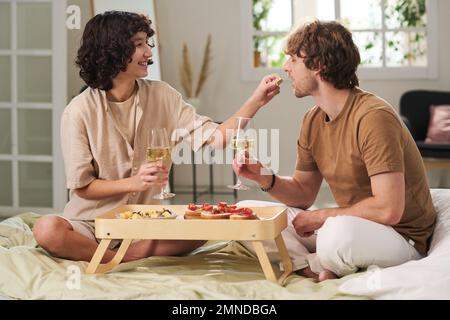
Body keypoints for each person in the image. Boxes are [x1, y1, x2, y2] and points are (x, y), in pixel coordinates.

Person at [32, 11, 280, 263]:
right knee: (47, 230)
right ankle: (121, 257)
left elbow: (218, 139)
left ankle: (114, 257)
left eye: (146, 43)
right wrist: (134, 183)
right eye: (139, 45)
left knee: (203, 228)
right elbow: (83, 187)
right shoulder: (79, 111)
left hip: (146, 224)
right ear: (113, 49)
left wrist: (257, 100)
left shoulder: (163, 95)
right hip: (92, 225)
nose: (148, 53)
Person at [234, 20, 436, 281]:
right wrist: (264, 177)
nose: (285, 68)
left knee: (337, 233)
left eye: (292, 60)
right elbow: (304, 193)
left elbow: (389, 210)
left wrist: (321, 217)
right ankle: (314, 266)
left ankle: (313, 263)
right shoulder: (312, 119)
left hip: (401, 237)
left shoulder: (373, 117)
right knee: (248, 214)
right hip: (353, 226)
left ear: (317, 65)